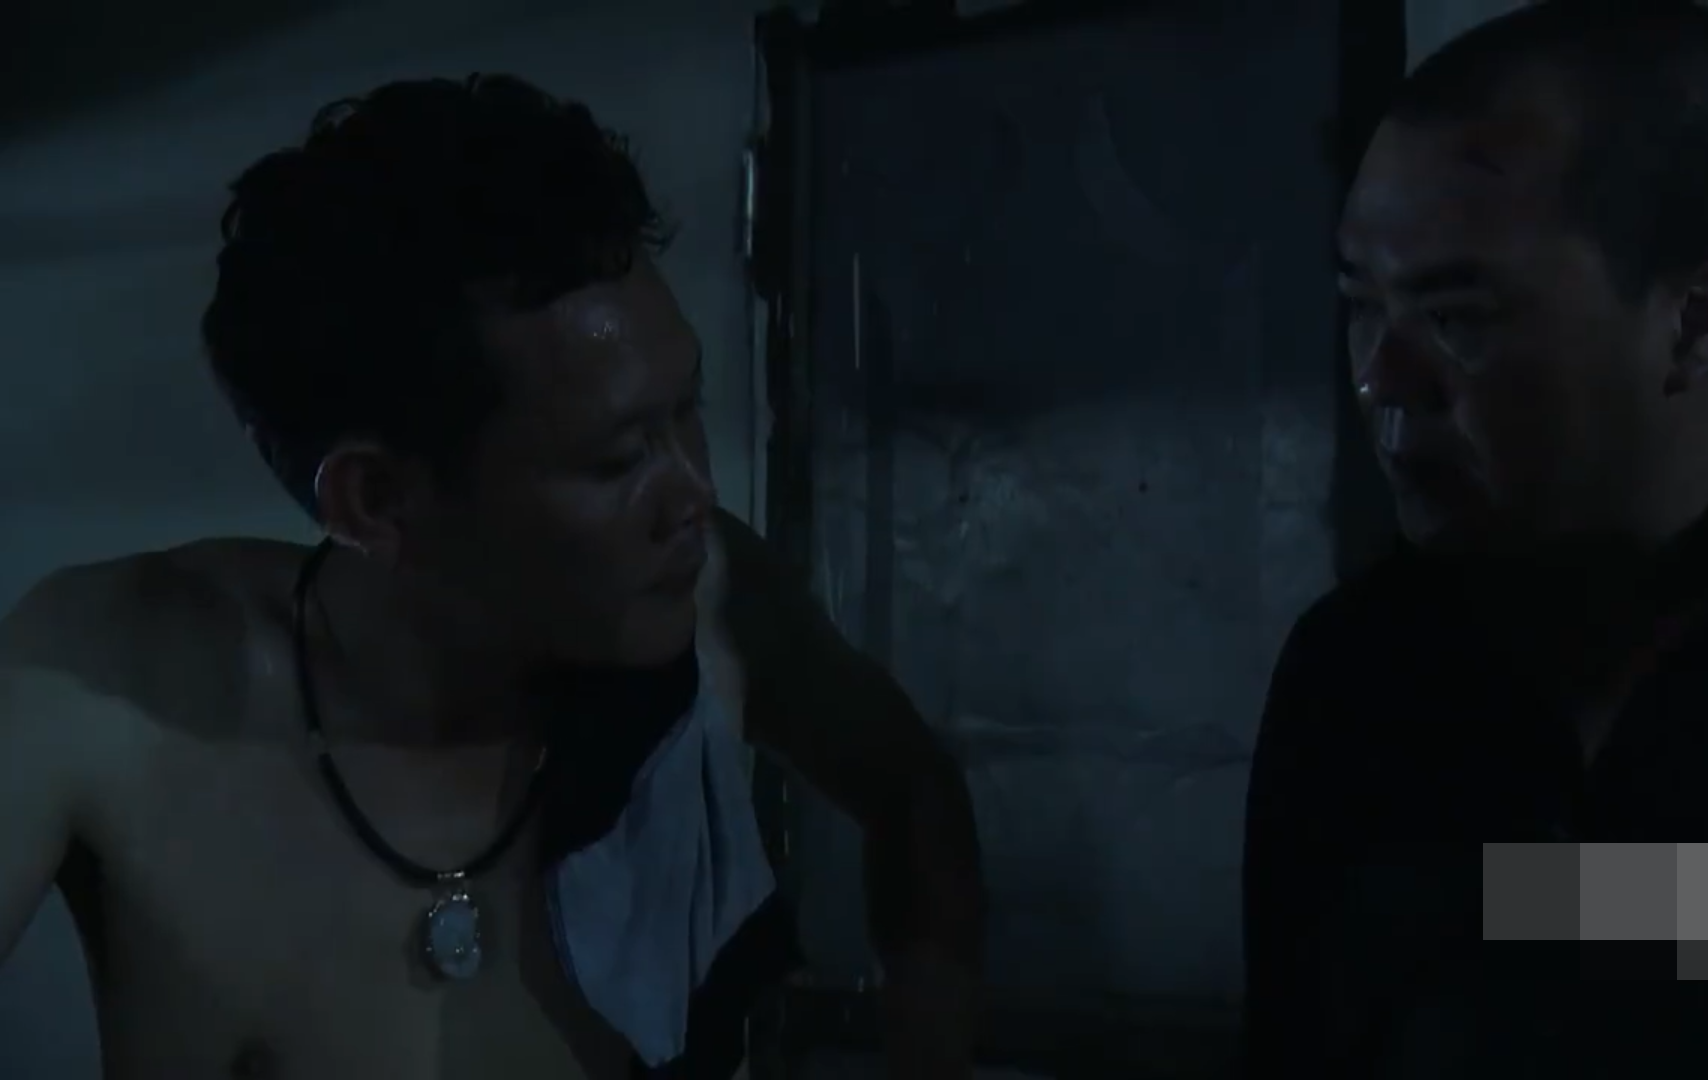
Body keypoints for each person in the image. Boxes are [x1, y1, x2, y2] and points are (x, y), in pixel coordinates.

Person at [0, 75, 983, 1080]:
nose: (695, 492)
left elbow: (915, 793)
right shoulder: (105, 677)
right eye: (617, 459)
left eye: (687, 410)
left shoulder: (713, 601)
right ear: (377, 503)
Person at [1244, 2, 1708, 1076]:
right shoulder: (1355, 672)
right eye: (1362, 302)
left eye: (1458, 316)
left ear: (1699, 323)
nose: (1380, 377)